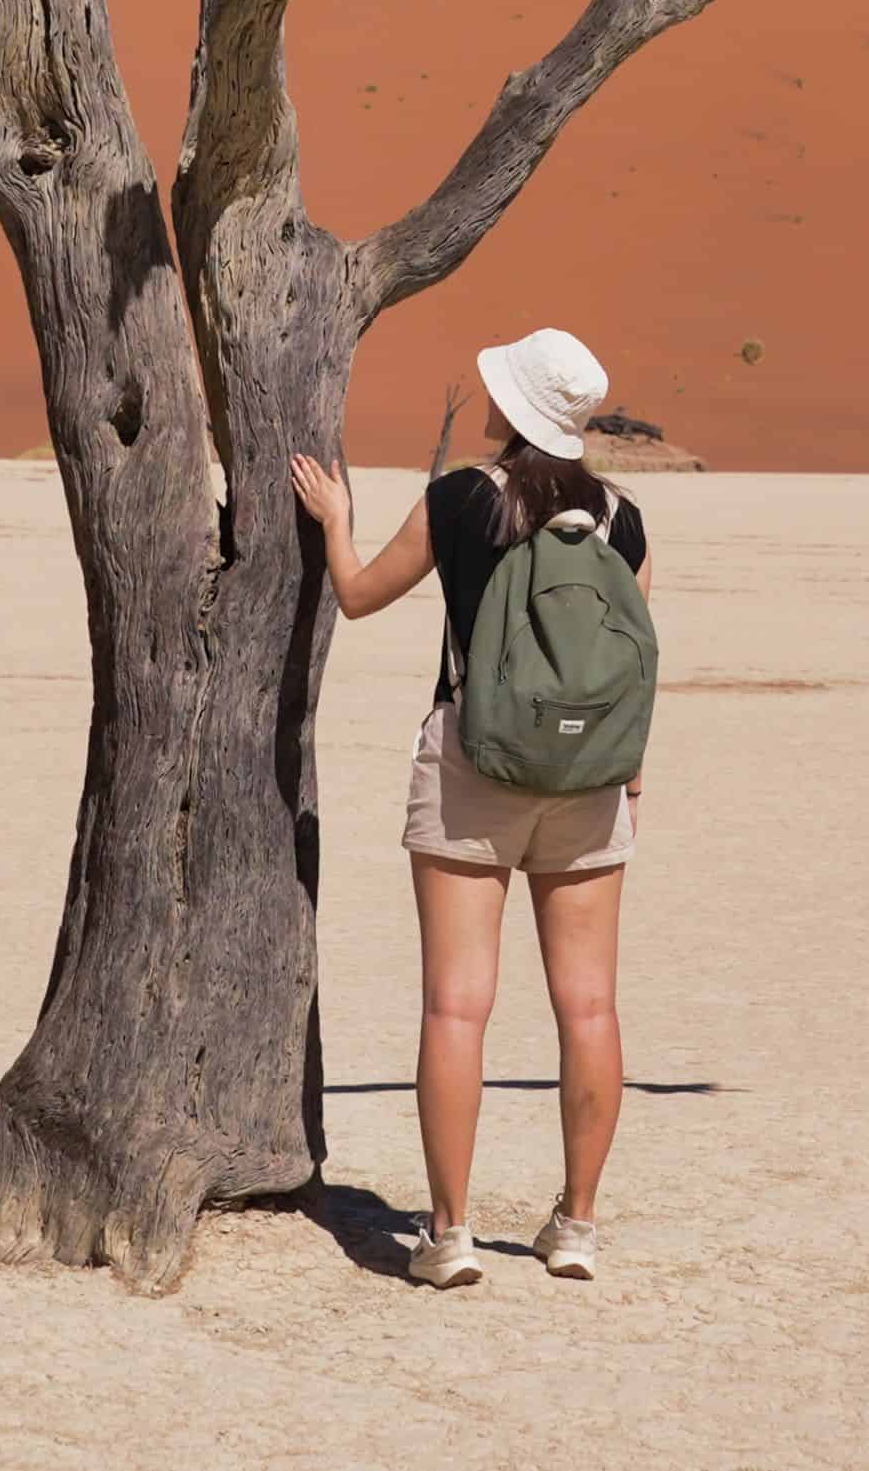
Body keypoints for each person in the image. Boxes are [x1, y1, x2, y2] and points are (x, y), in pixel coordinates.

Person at [289, 325, 650, 1290]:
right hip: (589, 783)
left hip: (470, 768)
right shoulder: (624, 519)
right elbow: (630, 659)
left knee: (457, 1005)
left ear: (515, 408)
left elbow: (360, 595)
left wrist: (333, 516)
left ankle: (446, 1236)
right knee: (591, 1006)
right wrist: (627, 765)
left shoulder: (460, 501)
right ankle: (576, 1224)